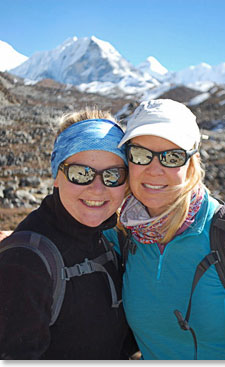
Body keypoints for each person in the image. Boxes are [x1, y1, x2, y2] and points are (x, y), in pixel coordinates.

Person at [104, 99, 225, 360]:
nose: (155, 170)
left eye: (172, 157)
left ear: (192, 163)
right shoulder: (122, 233)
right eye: (141, 155)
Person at [0, 108, 138, 360]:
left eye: (113, 175)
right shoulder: (25, 261)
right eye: (80, 173)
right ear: (57, 175)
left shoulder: (112, 236)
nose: (97, 189)